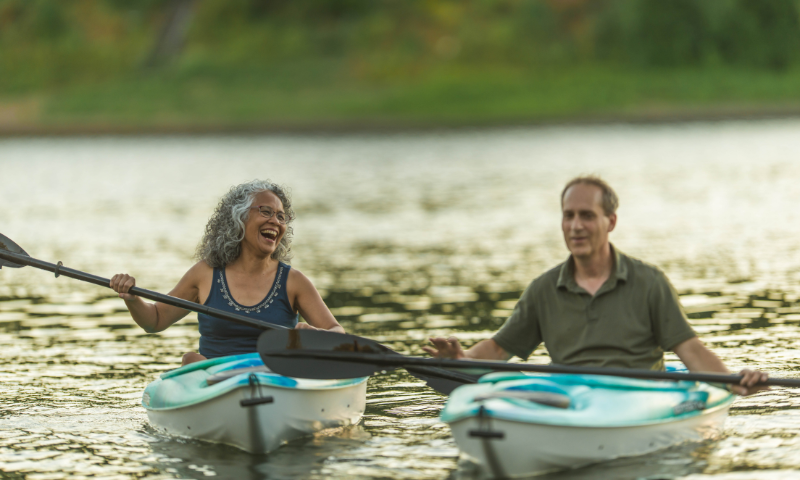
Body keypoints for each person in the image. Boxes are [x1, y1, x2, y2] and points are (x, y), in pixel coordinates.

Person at [423, 175, 767, 395]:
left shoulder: (649, 283)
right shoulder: (543, 289)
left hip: (639, 399)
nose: (575, 226)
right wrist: (461, 357)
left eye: (586, 215)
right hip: (572, 401)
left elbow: (691, 352)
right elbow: (499, 350)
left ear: (610, 221)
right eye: (568, 215)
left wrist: (736, 382)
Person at [110, 179, 344, 366]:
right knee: (191, 360)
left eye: (281, 216)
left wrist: (317, 336)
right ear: (239, 218)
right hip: (217, 382)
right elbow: (156, 320)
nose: (276, 221)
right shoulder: (205, 274)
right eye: (266, 211)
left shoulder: (294, 281)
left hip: (276, 376)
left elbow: (337, 332)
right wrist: (132, 298)